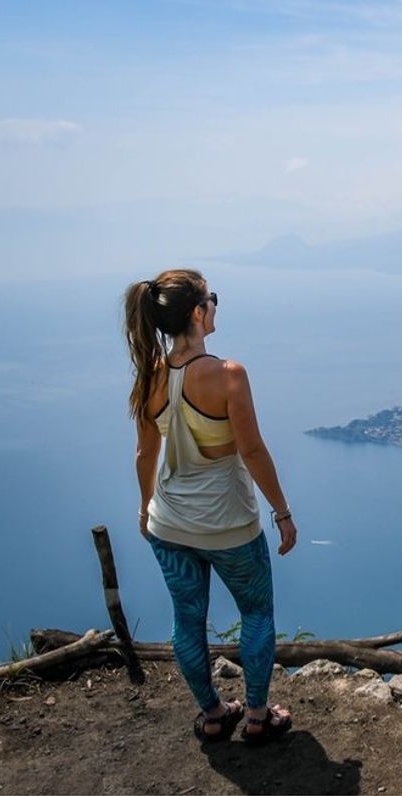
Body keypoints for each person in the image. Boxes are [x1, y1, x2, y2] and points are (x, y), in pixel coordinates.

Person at [123, 268, 298, 744]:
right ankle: (259, 716)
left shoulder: (149, 379)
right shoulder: (227, 376)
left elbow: (145, 454)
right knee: (258, 614)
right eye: (212, 299)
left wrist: (144, 510)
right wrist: (282, 512)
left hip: (169, 524)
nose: (215, 306)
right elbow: (254, 451)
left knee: (187, 619)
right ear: (198, 313)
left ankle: (214, 713)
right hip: (229, 525)